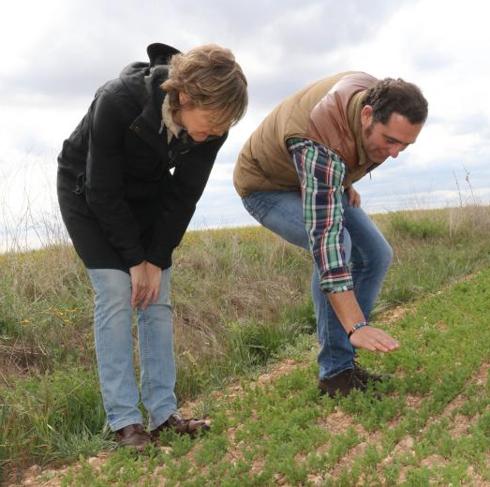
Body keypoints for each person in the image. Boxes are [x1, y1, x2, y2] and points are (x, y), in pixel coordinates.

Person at [58, 43, 247, 448]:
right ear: (182, 95)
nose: (214, 134)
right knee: (114, 291)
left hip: (147, 195)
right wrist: (132, 260)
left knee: (155, 295)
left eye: (222, 127)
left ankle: (164, 415)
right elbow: (101, 190)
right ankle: (124, 422)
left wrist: (155, 259)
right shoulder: (117, 100)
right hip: (87, 192)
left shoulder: (214, 124)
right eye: (211, 122)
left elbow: (183, 196)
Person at [234, 72, 427, 398]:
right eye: (390, 141)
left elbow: (347, 148)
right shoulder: (320, 140)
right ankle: (336, 371)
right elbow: (327, 242)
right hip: (266, 186)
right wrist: (356, 325)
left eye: (405, 145)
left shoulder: (374, 100)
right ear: (367, 115)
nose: (395, 153)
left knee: (377, 254)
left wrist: (344, 179)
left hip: (317, 175)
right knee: (341, 248)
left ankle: (343, 355)